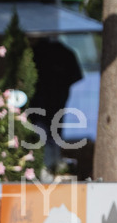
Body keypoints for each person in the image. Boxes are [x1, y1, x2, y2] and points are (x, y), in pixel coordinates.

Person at [28, 36, 84, 172]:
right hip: (52, 103)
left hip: (44, 103)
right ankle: (48, 167)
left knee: (45, 135)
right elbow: (76, 76)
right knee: (50, 135)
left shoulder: (37, 52)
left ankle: (47, 168)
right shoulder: (65, 53)